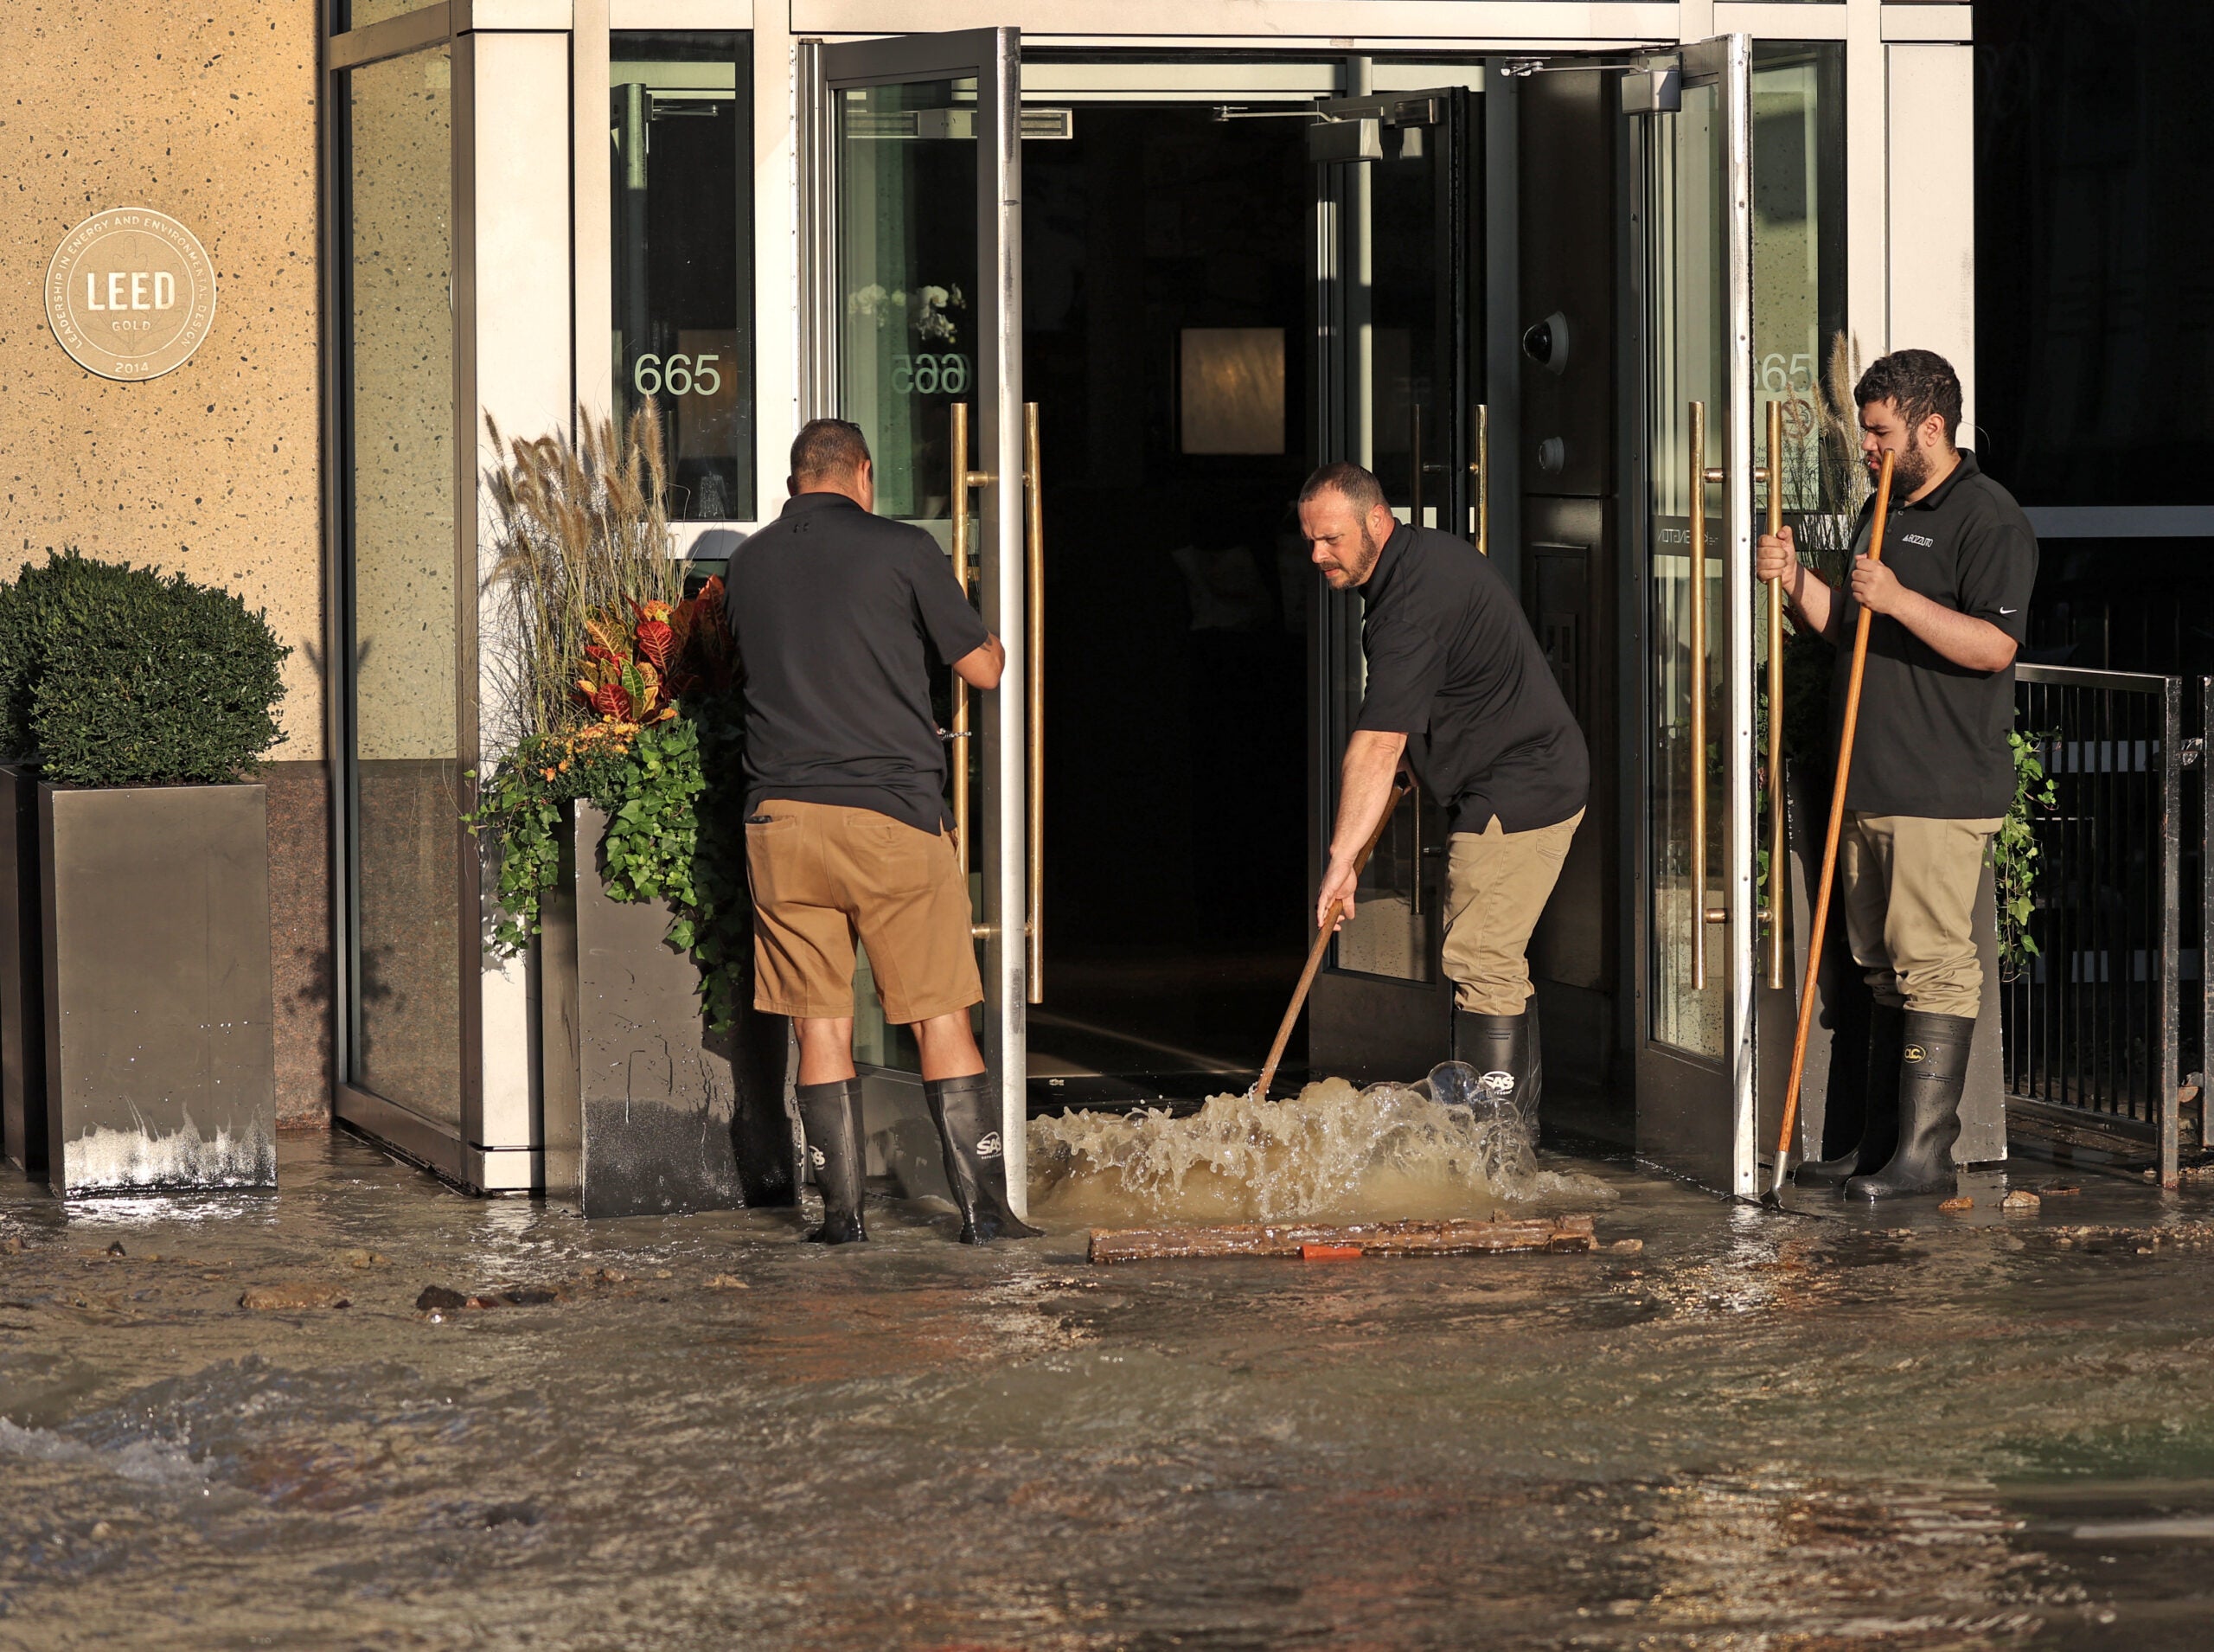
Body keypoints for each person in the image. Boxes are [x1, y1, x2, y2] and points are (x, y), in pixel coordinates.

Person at [725, 419, 1038, 1245]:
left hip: (782, 822)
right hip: (891, 817)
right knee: (940, 1015)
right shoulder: (902, 549)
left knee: (817, 1024)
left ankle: (841, 1220)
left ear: (796, 481)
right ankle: (983, 1212)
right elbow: (984, 668)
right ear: (862, 473)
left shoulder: (748, 562)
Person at [1759, 349, 2038, 1200]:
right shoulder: (1878, 512)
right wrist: (1793, 582)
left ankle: (1927, 1158)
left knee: (1931, 963)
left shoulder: (1985, 519)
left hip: (1937, 786)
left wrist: (1896, 597)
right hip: (1869, 782)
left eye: (1879, 432)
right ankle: (1877, 1146)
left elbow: (1993, 647)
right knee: (1880, 963)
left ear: (1930, 425)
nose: (1868, 448)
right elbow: (1849, 625)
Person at [1300, 461, 1590, 1114]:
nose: (1318, 554)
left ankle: (1491, 1145)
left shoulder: (1410, 598)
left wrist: (1342, 863)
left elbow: (1377, 744)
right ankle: (1505, 1137)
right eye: (1311, 540)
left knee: (1482, 960)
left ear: (1376, 521)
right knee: (1493, 961)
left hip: (1519, 787)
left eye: (1332, 539)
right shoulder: (1420, 563)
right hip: (1514, 776)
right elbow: (1421, 719)